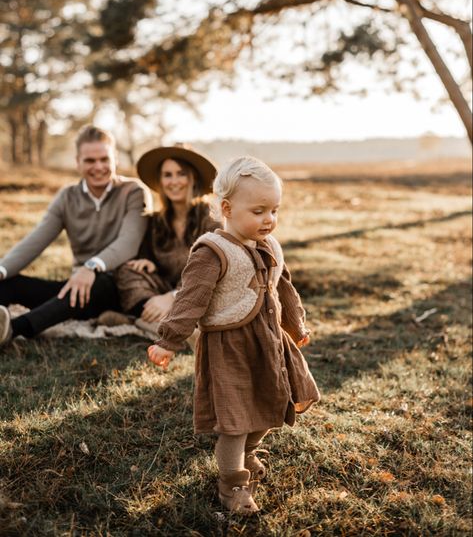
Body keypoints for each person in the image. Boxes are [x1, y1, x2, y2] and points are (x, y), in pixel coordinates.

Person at [147, 156, 320, 515]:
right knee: (235, 420)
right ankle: (233, 485)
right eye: (259, 211)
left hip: (269, 342)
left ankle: (250, 452)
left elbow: (282, 286)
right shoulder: (213, 251)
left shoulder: (270, 245)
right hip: (230, 347)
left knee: (273, 402)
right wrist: (169, 340)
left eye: (274, 210)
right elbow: (190, 299)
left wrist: (296, 324)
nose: (269, 219)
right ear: (226, 208)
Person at [0, 125, 149, 346]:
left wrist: (91, 266)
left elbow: (129, 241)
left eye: (104, 159)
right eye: (90, 160)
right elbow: (36, 240)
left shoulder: (134, 192)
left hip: (118, 287)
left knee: (99, 282)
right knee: (8, 283)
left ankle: (12, 330)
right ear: (77, 161)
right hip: (75, 291)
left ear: (115, 159)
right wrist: (2, 270)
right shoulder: (67, 196)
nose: (98, 167)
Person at [107, 146, 220, 335]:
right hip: (163, 292)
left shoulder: (210, 220)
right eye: (167, 175)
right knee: (128, 270)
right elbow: (145, 256)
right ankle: (163, 324)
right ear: (160, 181)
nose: (174, 181)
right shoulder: (156, 222)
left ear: (193, 179)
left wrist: (174, 297)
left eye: (181, 174)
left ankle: (156, 325)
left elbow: (210, 270)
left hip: (199, 294)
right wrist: (148, 263)